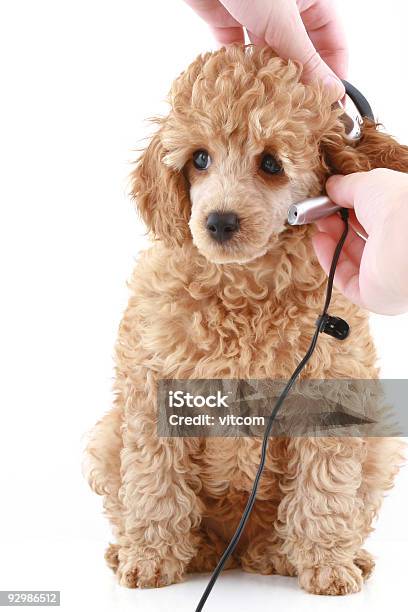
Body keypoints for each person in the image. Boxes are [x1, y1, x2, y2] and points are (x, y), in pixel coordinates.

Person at [184, 0, 408, 316]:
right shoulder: (164, 311)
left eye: (271, 165)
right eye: (201, 161)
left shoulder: (333, 294)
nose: (222, 209)